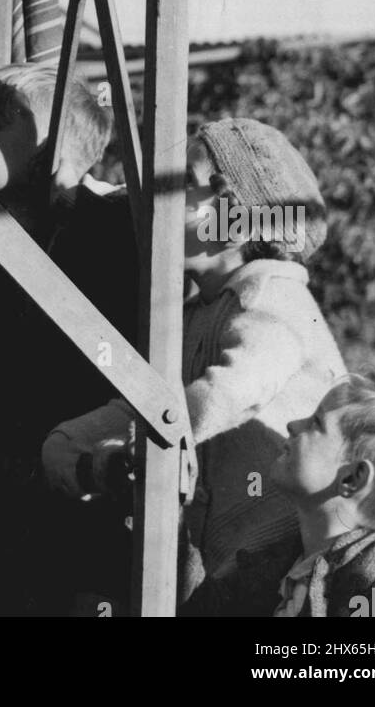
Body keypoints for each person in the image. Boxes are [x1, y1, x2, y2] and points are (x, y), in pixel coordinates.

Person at [43, 117, 347, 607]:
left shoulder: (272, 296)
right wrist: (73, 438)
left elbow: (232, 390)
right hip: (235, 559)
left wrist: (142, 437)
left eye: (184, 181)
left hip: (294, 547)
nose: (162, 194)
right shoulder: (194, 313)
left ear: (239, 214)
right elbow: (154, 402)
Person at [182, 371, 375, 617]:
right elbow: (202, 607)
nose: (292, 425)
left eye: (316, 423)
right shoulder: (277, 565)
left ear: (352, 478)